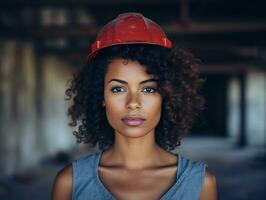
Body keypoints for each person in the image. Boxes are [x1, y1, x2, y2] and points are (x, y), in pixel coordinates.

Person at [51, 12, 217, 200]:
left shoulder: (200, 183)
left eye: (148, 90)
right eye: (118, 89)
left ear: (167, 95)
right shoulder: (70, 183)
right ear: (101, 96)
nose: (133, 103)